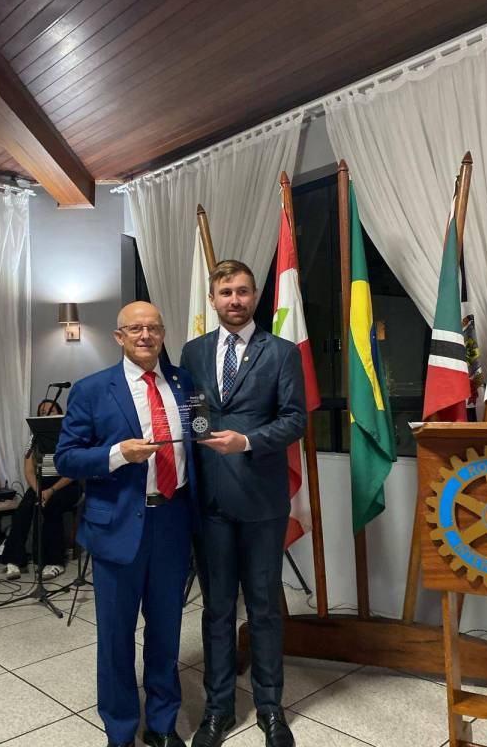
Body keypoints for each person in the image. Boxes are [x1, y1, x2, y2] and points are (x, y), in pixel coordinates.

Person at [55, 301, 197, 747]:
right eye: (135, 329)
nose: (145, 336)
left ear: (163, 334)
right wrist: (118, 454)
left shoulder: (183, 383)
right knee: (116, 636)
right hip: (117, 526)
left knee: (166, 631)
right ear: (119, 337)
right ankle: (119, 730)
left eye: (153, 328)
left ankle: (161, 724)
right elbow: (66, 458)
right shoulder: (93, 389)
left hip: (173, 520)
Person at [180, 260, 306, 747]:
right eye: (226, 292)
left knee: (264, 608)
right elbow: (192, 414)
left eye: (243, 291)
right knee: (216, 609)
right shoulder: (193, 352)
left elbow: (295, 420)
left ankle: (271, 708)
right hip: (210, 502)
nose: (235, 300)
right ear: (212, 300)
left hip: (261, 500)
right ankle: (218, 709)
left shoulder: (281, 352)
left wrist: (248, 441)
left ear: (255, 297)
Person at [1, 399, 80, 581]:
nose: (46, 414)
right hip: (41, 483)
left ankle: (55, 562)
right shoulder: (35, 438)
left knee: (51, 507)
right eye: (42, 412)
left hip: (66, 484)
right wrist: (38, 491)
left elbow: (73, 471)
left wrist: (51, 491)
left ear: (60, 413)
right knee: (24, 507)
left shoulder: (71, 436)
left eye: (51, 411)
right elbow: (29, 470)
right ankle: (14, 559)